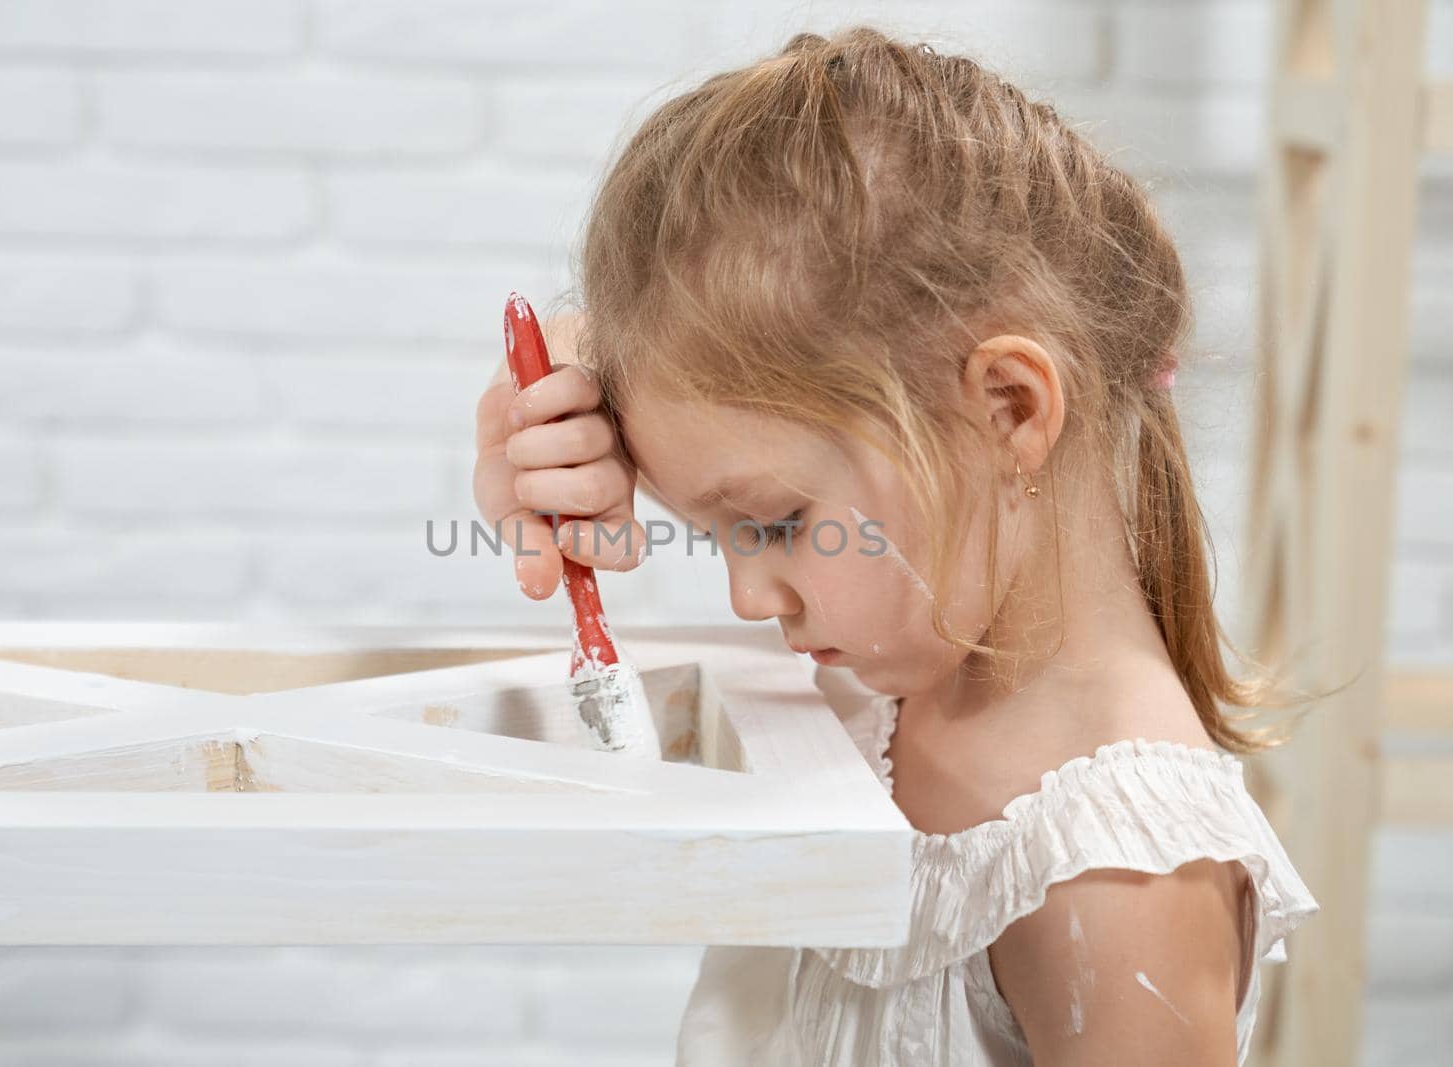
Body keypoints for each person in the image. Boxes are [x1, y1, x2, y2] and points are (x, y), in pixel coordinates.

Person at [472, 25, 1321, 1066]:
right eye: (709, 533)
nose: (749, 596)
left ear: (1008, 408)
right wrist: (559, 416)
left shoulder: (1112, 878)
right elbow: (630, 359)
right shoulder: (902, 663)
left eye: (775, 523)